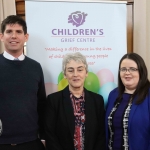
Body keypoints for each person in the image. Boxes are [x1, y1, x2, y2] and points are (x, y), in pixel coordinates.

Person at [0, 15, 46, 150]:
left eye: (18, 32)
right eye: (9, 32)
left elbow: (41, 104)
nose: (14, 36)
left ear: (26, 37)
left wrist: (43, 136)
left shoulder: (35, 67)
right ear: (2, 36)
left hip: (31, 142)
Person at [45, 52, 105, 150]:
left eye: (80, 70)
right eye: (70, 70)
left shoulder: (97, 101)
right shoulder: (54, 101)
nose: (75, 74)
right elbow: (50, 135)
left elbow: (101, 134)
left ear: (86, 73)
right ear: (65, 74)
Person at [105, 53, 150, 150]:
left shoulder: (148, 95)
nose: (127, 72)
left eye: (132, 69)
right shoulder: (113, 95)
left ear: (141, 72)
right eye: (123, 69)